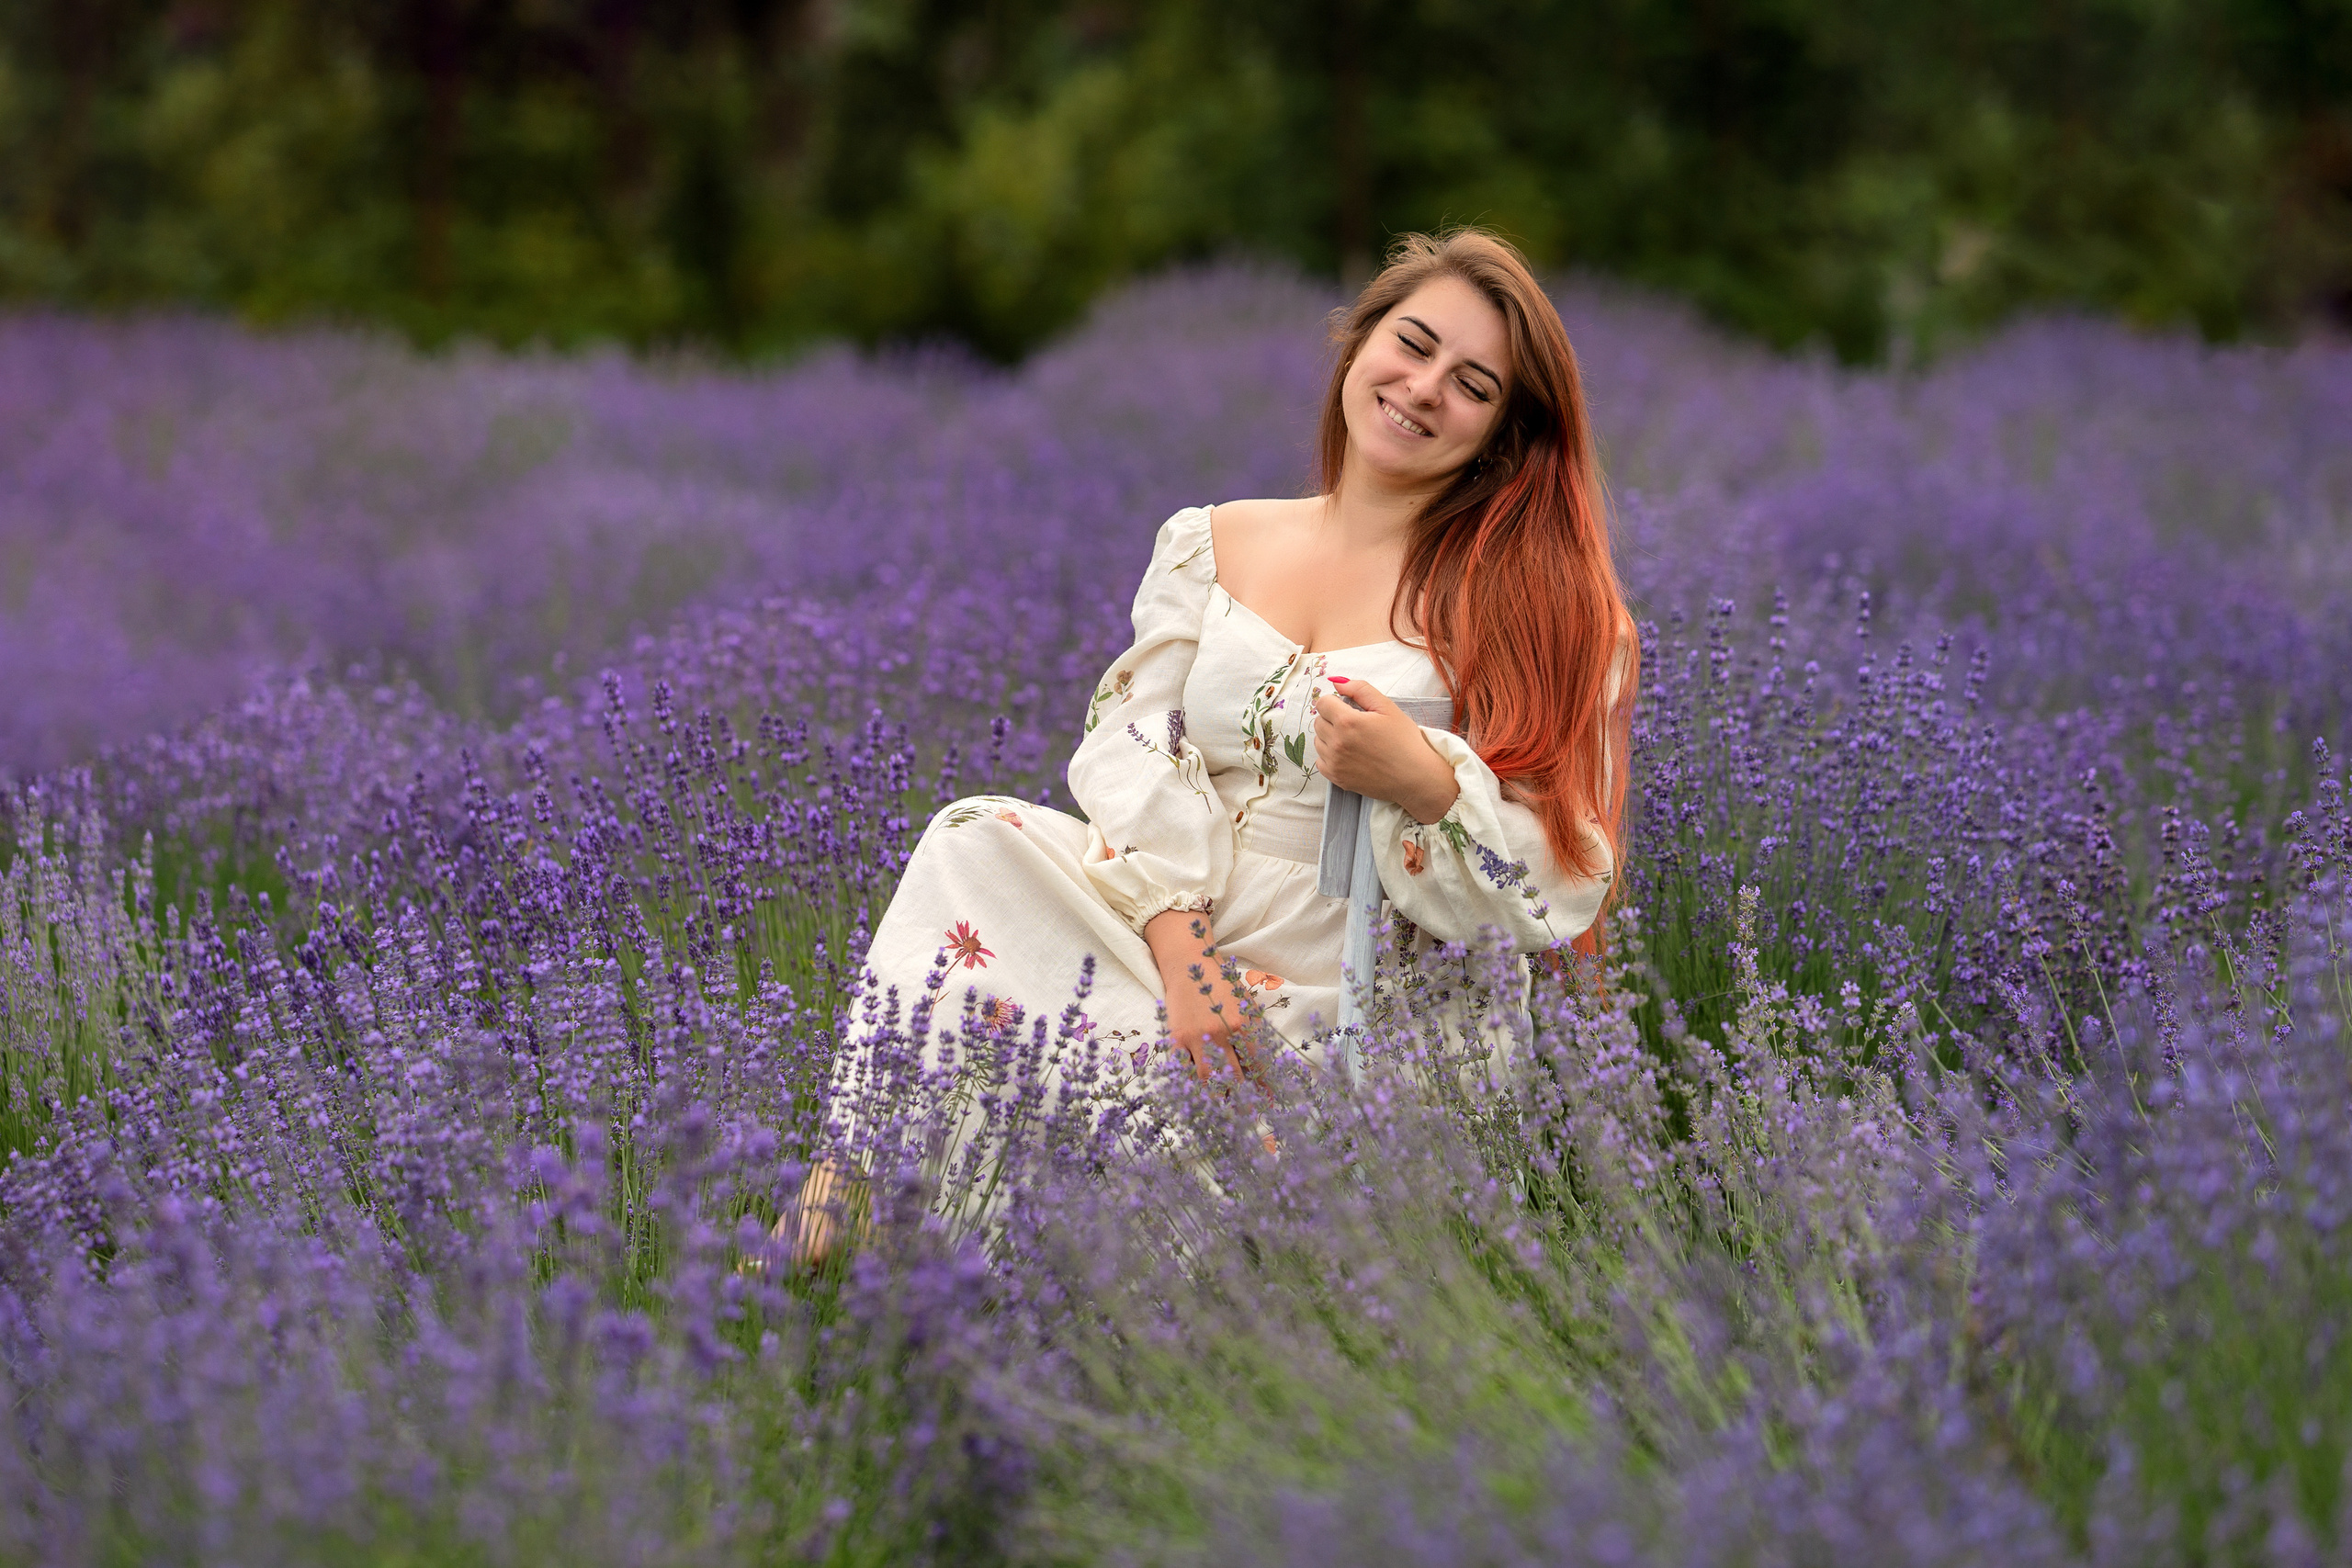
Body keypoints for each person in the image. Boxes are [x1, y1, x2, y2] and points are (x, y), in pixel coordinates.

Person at [780, 228, 1637, 1263]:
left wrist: (1420, 781)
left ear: (1503, 433)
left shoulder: (1537, 605)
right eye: (1410, 344)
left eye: (1472, 384)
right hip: (1176, 919)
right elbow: (1133, 742)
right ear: (1356, 342)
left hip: (1361, 978)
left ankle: (976, 1284)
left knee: (1151, 1133)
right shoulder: (1217, 539)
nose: (1421, 388)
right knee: (974, 841)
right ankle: (835, 1206)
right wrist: (1184, 956)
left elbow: (1562, 873)